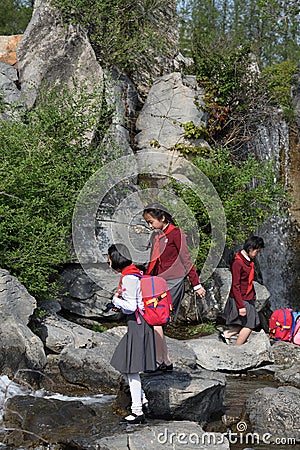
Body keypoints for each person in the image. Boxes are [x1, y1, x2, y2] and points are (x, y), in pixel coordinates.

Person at [142, 203, 206, 370]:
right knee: (156, 321)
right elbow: (153, 260)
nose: (150, 226)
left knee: (157, 320)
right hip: (158, 281)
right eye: (147, 223)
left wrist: (196, 284)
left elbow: (186, 259)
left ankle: (160, 361)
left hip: (173, 281)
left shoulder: (176, 234)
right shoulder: (157, 235)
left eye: (151, 222)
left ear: (162, 218)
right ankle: (165, 360)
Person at [108, 243, 156, 424]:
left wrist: (116, 300)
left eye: (109, 257)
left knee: (131, 368)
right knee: (125, 364)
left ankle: (137, 411)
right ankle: (142, 400)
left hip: (138, 325)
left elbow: (131, 306)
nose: (108, 261)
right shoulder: (137, 272)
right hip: (140, 324)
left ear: (116, 258)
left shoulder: (129, 277)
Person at [220, 235, 265, 346]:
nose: (257, 254)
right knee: (250, 324)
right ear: (250, 248)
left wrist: (253, 295)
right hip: (241, 298)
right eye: (257, 251)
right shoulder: (238, 263)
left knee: (248, 321)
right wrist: (240, 306)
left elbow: (249, 281)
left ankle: (227, 334)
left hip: (248, 297)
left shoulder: (248, 261)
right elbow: (235, 286)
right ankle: (237, 349)